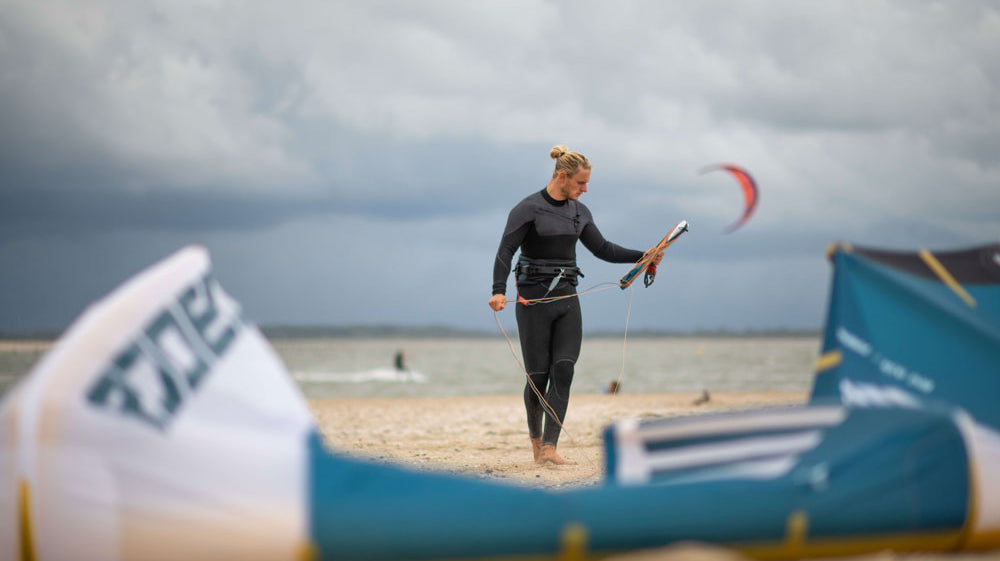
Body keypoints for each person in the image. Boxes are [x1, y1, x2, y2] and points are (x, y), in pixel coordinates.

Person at [489, 145, 663, 465]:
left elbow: (603, 249)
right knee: (538, 377)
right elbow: (505, 251)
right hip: (533, 302)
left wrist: (643, 255)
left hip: (568, 299)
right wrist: (498, 290)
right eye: (581, 183)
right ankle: (536, 442)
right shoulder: (527, 209)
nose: (585, 189)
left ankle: (551, 447)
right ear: (562, 176)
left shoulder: (580, 212)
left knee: (564, 369)